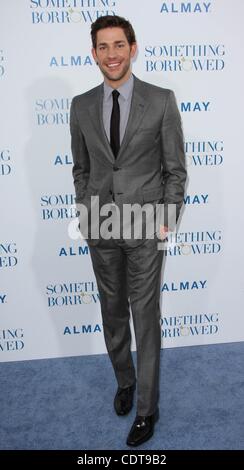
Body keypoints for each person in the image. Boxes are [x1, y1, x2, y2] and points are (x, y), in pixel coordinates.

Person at [70, 15, 186, 447]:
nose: (112, 54)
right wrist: (86, 210)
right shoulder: (81, 105)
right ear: (94, 53)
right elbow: (81, 168)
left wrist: (166, 220)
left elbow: (175, 170)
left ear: (133, 49)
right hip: (101, 227)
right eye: (104, 46)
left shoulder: (160, 100)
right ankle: (125, 380)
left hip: (144, 228)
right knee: (113, 312)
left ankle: (147, 409)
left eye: (120, 45)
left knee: (146, 318)